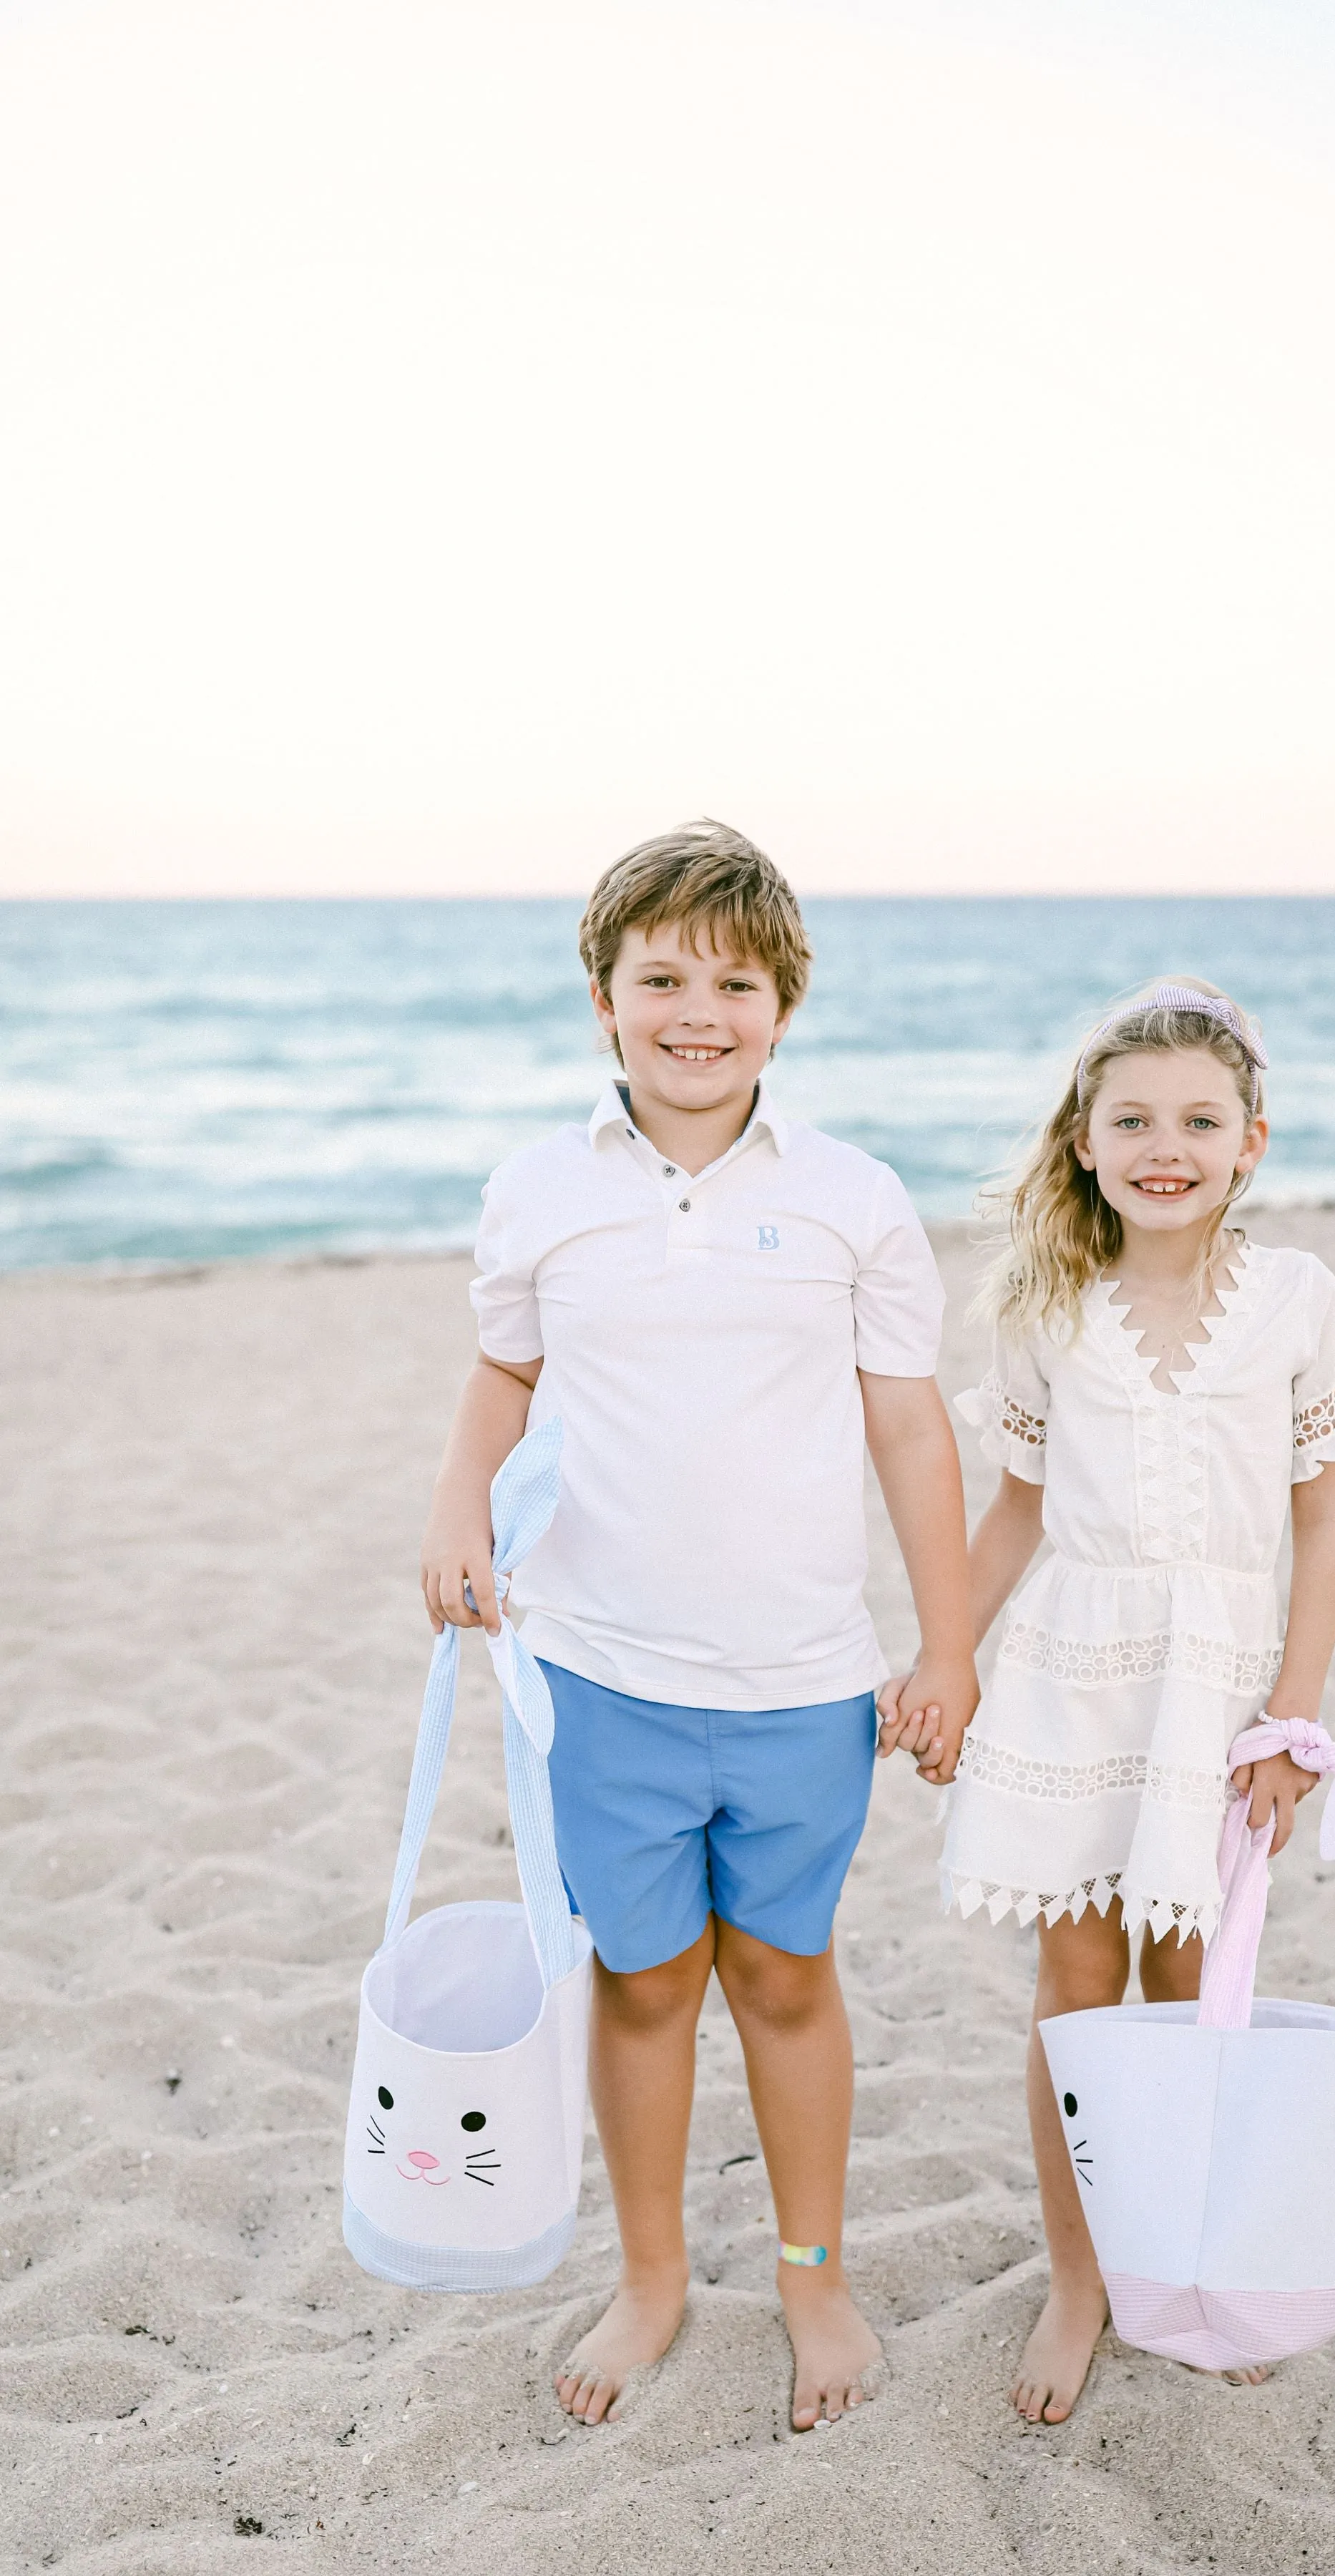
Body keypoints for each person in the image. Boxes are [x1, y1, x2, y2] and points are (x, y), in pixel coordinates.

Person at [419, 822, 978, 2430]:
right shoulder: (538, 1194)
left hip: (804, 1684)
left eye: (733, 982)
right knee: (648, 1987)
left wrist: (942, 1648)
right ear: (605, 996)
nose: (696, 1011)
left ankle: (814, 2273)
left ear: (782, 1007)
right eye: (660, 976)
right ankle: (654, 2276)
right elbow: (504, 1376)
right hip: (600, 1675)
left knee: (788, 1981)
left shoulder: (851, 1200)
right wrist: (457, 1509)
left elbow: (912, 1435)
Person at [937, 977, 1335, 2424]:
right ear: (1082, 1138)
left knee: (1196, 1990)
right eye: (1131, 1119)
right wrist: (942, 1650)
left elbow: (1324, 1522)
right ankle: (1080, 2281)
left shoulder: (1297, 1299)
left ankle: (1194, 2256)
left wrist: (1291, 1718)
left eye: (1199, 1120)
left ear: (1250, 1142)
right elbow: (1012, 1511)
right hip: (1071, 1681)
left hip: (1217, 1697)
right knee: (1076, 1991)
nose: (1164, 1146)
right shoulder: (1046, 1303)